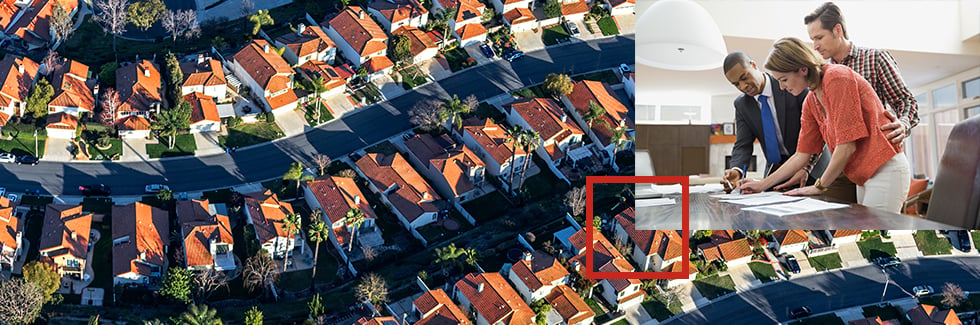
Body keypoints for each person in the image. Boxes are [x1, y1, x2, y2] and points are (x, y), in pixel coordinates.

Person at [741, 37, 911, 214]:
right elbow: (801, 155)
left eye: (784, 80)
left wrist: (819, 186)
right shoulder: (811, 101)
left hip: (884, 169)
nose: (782, 87)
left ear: (803, 69)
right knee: (867, 234)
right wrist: (762, 184)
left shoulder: (837, 78)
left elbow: (846, 147)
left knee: (878, 235)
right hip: (863, 177)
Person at [803, 2, 920, 202]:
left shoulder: (875, 58)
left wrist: (903, 123)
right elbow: (824, 126)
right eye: (812, 40)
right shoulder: (821, 76)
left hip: (877, 160)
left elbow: (906, 101)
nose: (815, 46)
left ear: (837, 30)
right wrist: (806, 167)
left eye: (819, 37)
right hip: (844, 165)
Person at [721, 51, 828, 190]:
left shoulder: (790, 84)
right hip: (775, 172)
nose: (743, 86)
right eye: (736, 84)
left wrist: (807, 167)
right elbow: (743, 144)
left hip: (812, 169)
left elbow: (819, 131)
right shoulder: (742, 105)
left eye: (744, 77)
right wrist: (737, 170)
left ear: (753, 65)